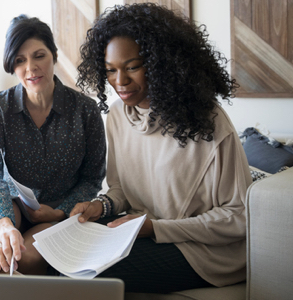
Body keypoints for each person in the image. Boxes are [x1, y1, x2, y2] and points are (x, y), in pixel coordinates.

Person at [70, 3, 252, 293]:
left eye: (132, 67)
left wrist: (156, 228)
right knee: (61, 258)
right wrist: (100, 206)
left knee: (86, 272)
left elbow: (239, 215)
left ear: (161, 63)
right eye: (110, 70)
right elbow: (121, 192)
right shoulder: (118, 115)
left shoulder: (208, 120)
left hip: (205, 251)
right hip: (143, 231)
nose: (120, 81)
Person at [0, 15, 106, 275]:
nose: (31, 68)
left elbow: (92, 180)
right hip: (11, 203)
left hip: (60, 213)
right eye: (20, 60)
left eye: (39, 56)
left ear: (54, 56)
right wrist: (3, 223)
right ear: (12, 65)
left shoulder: (86, 111)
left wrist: (59, 212)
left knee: (22, 259)